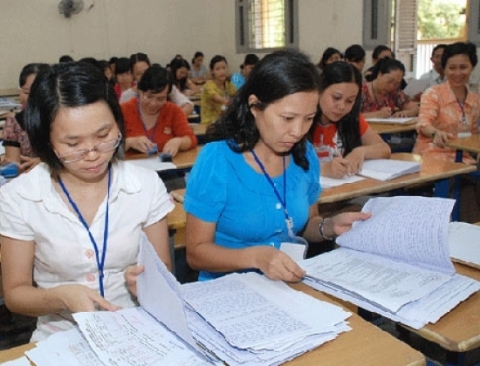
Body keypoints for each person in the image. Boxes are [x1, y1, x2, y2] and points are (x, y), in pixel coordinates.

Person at [0, 61, 174, 341]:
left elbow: (162, 270)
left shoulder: (144, 185)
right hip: (61, 335)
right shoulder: (20, 197)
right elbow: (15, 294)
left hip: (136, 327)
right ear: (46, 140)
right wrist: (61, 297)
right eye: (73, 144)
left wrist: (149, 284)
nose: (92, 153)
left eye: (104, 135)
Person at [185, 49, 371, 282]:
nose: (298, 131)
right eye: (288, 118)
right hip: (227, 289)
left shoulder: (305, 155)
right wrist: (256, 257)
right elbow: (196, 253)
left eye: (309, 118)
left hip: (285, 286)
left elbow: (303, 226)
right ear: (254, 106)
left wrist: (329, 226)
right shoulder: (218, 160)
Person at [311, 62, 391, 178]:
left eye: (349, 101)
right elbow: (284, 164)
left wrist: (361, 151)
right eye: (336, 98)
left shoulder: (352, 119)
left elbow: (385, 149)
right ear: (320, 90)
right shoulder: (302, 120)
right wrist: (324, 169)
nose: (342, 106)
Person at [413, 42, 480, 164]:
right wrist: (435, 132)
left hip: (465, 157)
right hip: (433, 155)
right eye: (452, 68)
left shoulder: (475, 99)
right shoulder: (433, 94)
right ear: (444, 69)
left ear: (472, 67)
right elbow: (423, 124)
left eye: (463, 67)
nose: (458, 73)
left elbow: (474, 134)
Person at [122, 65, 197, 156]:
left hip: (165, 168)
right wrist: (129, 142)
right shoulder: (124, 111)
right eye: (149, 97)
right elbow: (108, 146)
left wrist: (178, 141)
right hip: (132, 168)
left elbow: (191, 139)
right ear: (140, 92)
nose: (153, 103)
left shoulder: (173, 111)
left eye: (160, 99)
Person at [2, 63, 48, 173]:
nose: (31, 98)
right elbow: (14, 164)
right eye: (26, 92)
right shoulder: (14, 123)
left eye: (37, 93)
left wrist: (44, 164)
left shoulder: (61, 120)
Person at [120, 53, 194, 116]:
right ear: (132, 75)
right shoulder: (127, 96)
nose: (144, 76)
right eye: (139, 74)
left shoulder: (165, 87)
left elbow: (188, 105)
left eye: (146, 71)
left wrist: (171, 120)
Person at [200, 55, 236, 125]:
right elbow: (217, 98)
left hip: (223, 122)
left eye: (224, 68)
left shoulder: (228, 84)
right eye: (218, 69)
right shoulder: (208, 85)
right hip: (209, 124)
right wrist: (230, 102)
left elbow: (237, 95)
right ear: (212, 71)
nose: (222, 71)